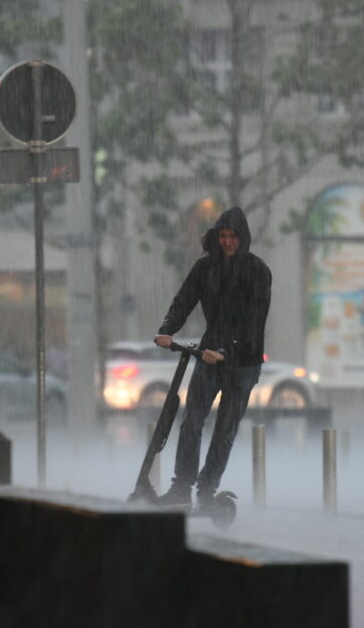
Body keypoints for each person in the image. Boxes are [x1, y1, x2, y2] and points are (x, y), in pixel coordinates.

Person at [154, 207, 271, 507]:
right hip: (208, 355)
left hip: (243, 362)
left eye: (233, 236)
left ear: (243, 238)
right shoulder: (206, 268)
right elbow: (184, 300)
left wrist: (227, 352)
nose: (228, 242)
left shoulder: (257, 271)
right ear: (216, 237)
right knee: (192, 421)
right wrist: (167, 329)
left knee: (225, 430)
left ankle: (206, 490)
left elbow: (254, 321)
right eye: (223, 236)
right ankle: (181, 487)